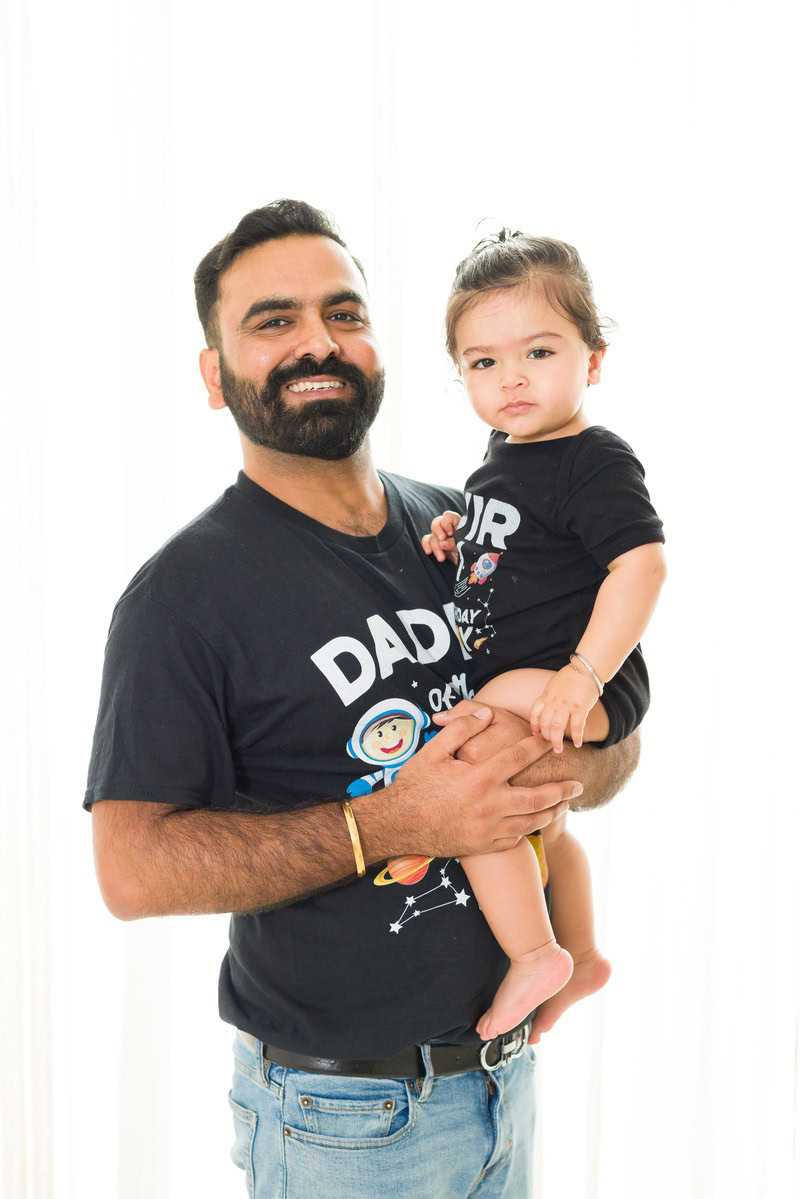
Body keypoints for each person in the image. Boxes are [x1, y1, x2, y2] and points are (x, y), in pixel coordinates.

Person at [85, 200, 641, 1198]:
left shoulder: (464, 527)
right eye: (272, 321)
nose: (317, 342)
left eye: (344, 313)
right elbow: (131, 870)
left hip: (502, 1083)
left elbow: (616, 738)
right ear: (214, 377)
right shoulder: (184, 596)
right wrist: (394, 819)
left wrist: (540, 760)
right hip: (345, 1124)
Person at [422, 231, 666, 1045]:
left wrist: (581, 675)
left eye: (538, 351)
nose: (511, 377)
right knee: (545, 825)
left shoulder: (592, 460)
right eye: (482, 363)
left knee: (469, 755)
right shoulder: (505, 454)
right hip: (552, 672)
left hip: (581, 674)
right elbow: (522, 545)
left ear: (592, 360)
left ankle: (533, 952)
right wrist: (463, 534)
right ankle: (585, 951)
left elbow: (642, 566)